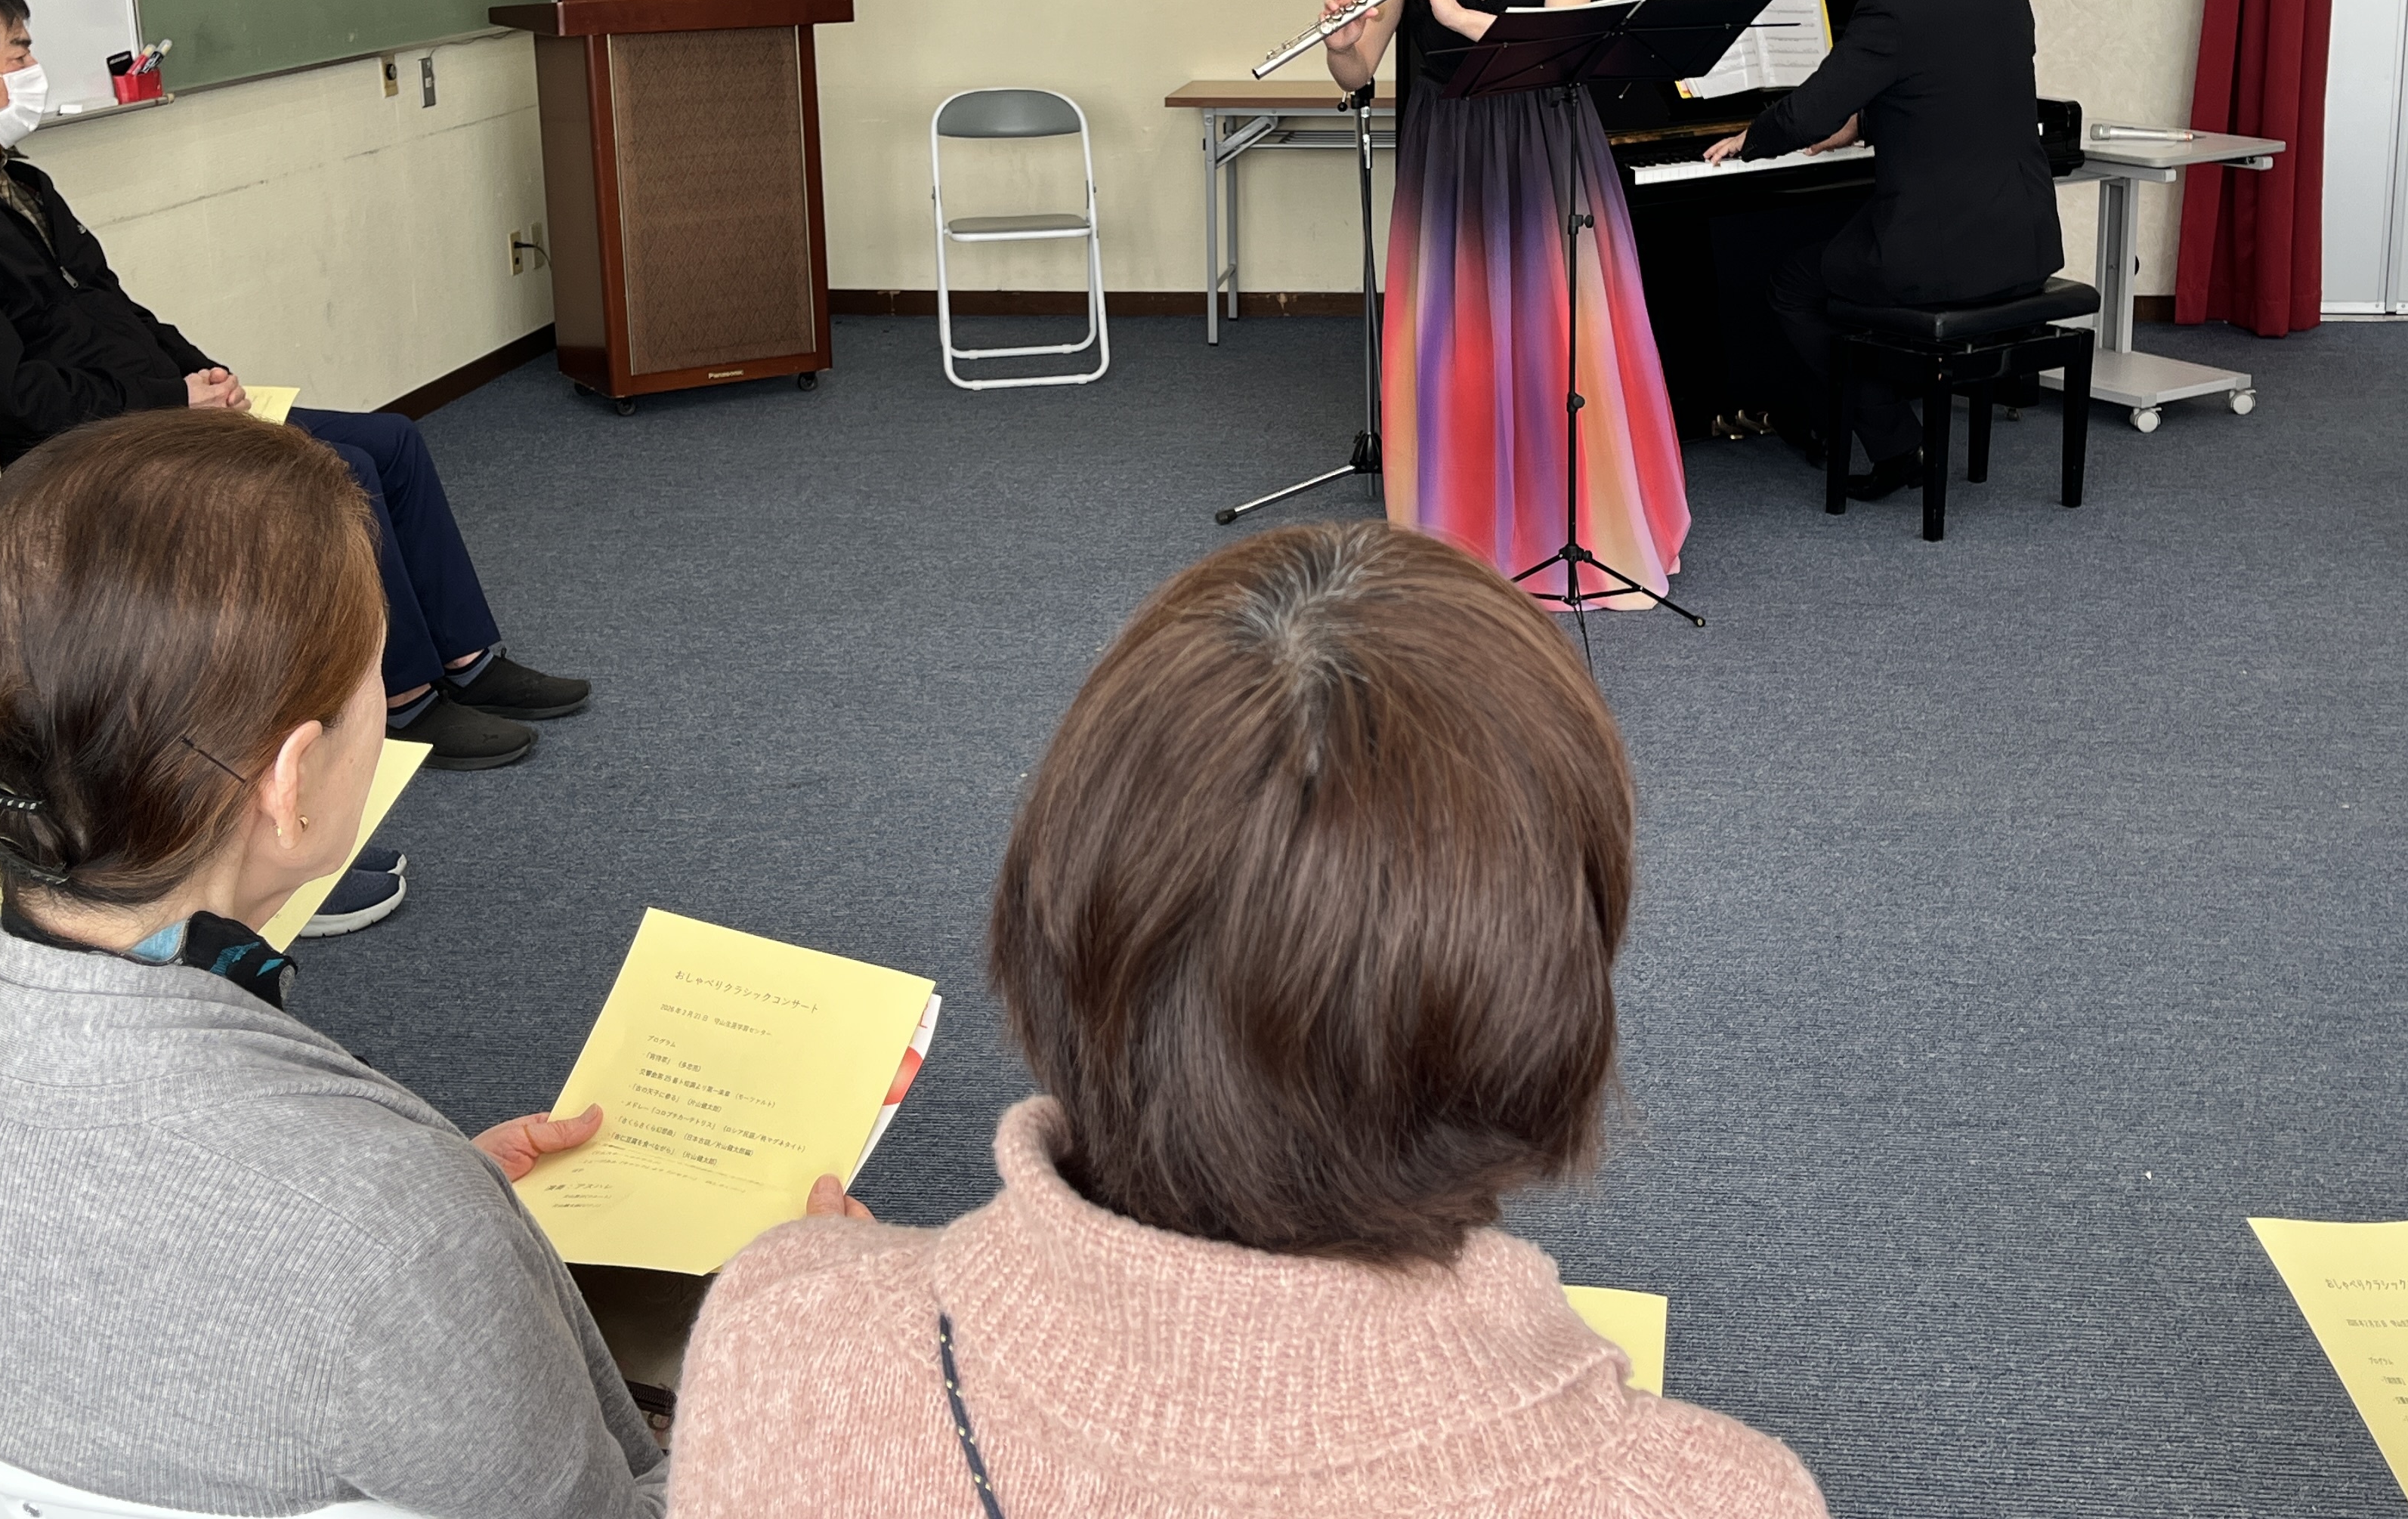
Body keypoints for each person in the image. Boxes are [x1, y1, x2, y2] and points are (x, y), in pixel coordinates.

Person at [668, 520, 1826, 1517]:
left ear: (1049, 915)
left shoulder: (772, 1332)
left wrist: (837, 1307)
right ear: (1546, 997)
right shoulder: (1721, 1497)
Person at [0, 411, 667, 1519]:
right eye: (374, 681)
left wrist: (432, 1211)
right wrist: (800, 1331)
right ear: (290, 782)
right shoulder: (391, 1228)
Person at [0, 0, 584, 769]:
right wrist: (171, 398)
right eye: (17, 53)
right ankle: (403, 697)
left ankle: (467, 659)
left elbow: (114, 305)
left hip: (156, 411)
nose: (33, 70)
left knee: (394, 439)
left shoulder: (18, 184)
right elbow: (11, 396)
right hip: (70, 453)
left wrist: (206, 374)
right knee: (344, 470)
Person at [1318, 0, 1689, 607]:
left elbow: (1555, 49)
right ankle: (1467, 531)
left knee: (1560, 334)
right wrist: (1342, 39)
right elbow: (1358, 70)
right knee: (1461, 342)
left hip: (1548, 139)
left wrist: (1453, 14)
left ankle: (1577, 523)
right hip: (1453, 151)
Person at [1704, 0, 2061, 496]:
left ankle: (1895, 443)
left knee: (1793, 284)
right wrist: (1867, 120)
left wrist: (1749, 141)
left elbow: (1805, 114)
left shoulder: (1891, 10)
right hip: (2024, 242)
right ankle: (1852, 422)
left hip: (1940, 256)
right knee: (1836, 252)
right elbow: (1952, 88)